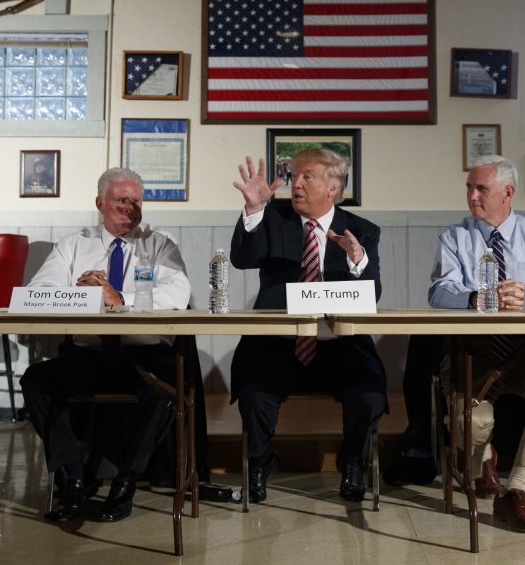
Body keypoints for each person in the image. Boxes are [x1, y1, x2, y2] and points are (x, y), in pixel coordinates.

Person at [19, 167, 192, 523]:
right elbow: (38, 293)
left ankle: (125, 483)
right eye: (120, 201)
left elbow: (178, 293)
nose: (130, 209)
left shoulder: (159, 243)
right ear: (100, 204)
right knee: (37, 381)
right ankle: (73, 479)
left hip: (141, 354)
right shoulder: (74, 245)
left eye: (136, 201)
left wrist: (118, 298)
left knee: (164, 392)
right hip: (89, 354)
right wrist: (78, 293)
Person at [428, 154, 525, 532]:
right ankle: (480, 459)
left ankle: (515, 490)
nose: (472, 196)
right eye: (469, 187)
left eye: (481, 188)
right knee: (475, 421)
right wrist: (472, 298)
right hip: (471, 348)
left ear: (508, 192)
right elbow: (439, 291)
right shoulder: (455, 237)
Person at [230, 150, 386, 503]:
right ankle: (260, 460)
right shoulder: (271, 219)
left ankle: (351, 461)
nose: (295, 184)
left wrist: (357, 259)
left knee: (370, 396)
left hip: (339, 346)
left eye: (307, 177)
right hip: (278, 345)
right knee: (254, 394)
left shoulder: (362, 230)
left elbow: (372, 293)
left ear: (333, 187)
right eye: (294, 176)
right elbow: (242, 259)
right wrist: (254, 210)